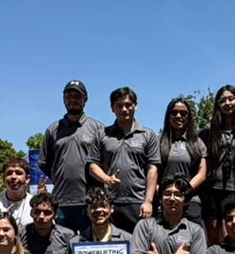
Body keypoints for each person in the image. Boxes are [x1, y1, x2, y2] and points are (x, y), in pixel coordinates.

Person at [89, 86, 160, 232]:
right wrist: (107, 180)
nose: (124, 109)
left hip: (138, 202)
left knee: (141, 244)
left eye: (128, 105)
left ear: (136, 106)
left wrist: (148, 201)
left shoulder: (148, 135)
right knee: (112, 243)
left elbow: (152, 169)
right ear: (112, 108)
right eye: (119, 105)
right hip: (110, 202)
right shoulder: (102, 134)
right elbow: (92, 166)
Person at [42, 79, 104, 232]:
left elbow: (105, 162)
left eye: (77, 96)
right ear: (64, 100)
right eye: (69, 96)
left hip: (90, 201)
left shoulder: (98, 128)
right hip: (61, 201)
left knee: (90, 242)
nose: (73, 100)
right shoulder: (53, 130)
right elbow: (44, 163)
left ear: (85, 100)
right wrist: (60, 177)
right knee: (62, 243)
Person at [199, 85, 235, 244]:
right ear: (218, 104)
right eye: (222, 100)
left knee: (231, 230)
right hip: (211, 188)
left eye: (231, 99)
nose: (227, 103)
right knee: (213, 231)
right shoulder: (208, 130)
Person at [158, 97, 207, 222]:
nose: (178, 116)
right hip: (165, 202)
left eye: (183, 113)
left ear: (188, 117)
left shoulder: (197, 143)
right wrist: (163, 193)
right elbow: (152, 171)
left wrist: (184, 192)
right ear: (168, 116)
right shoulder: (158, 142)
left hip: (191, 201)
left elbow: (202, 174)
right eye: (174, 113)